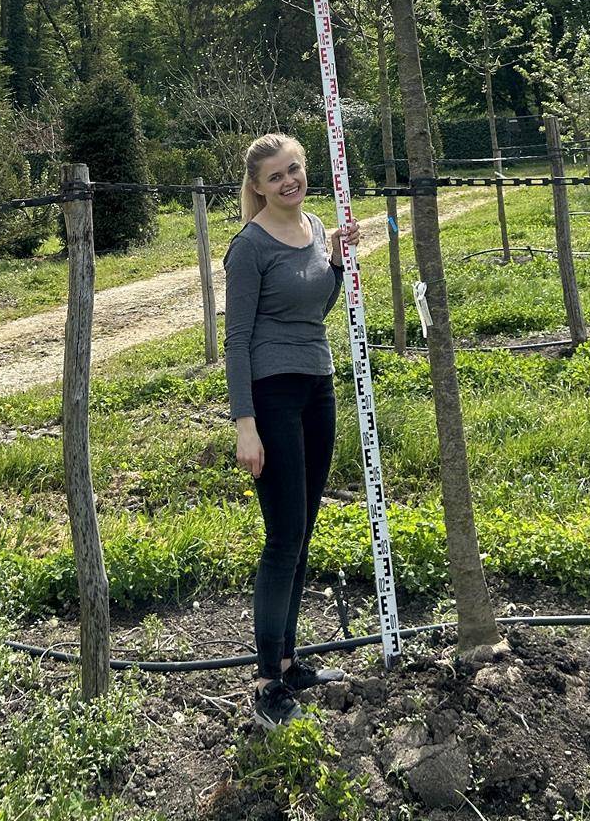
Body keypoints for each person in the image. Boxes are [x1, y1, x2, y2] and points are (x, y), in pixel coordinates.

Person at [225, 131, 360, 731]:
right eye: (277, 175)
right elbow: (236, 341)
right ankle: (266, 682)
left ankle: (290, 659)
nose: (290, 181)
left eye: (296, 170)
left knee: (304, 530)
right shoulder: (248, 248)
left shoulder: (312, 228)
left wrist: (332, 259)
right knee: (282, 537)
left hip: (317, 385)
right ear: (257, 186)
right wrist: (244, 424)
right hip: (271, 395)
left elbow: (316, 309)